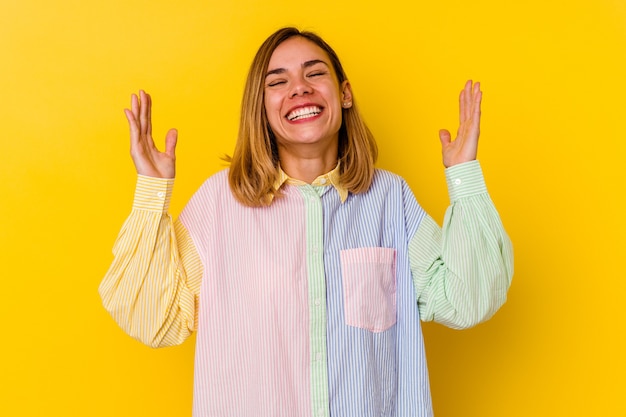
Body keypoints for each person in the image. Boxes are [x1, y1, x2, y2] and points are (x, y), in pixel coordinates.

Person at [99, 27, 513, 417]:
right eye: (277, 82)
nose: (299, 87)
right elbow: (153, 319)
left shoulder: (391, 199)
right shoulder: (218, 204)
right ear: (260, 109)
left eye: (315, 73)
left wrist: (464, 176)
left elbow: (464, 300)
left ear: (344, 94)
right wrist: (153, 192)